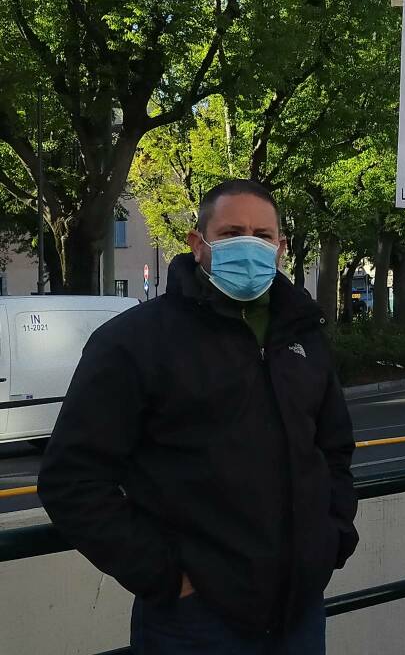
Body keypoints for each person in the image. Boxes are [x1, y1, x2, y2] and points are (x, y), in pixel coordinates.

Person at [38, 179, 359, 654]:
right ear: (197, 243)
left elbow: (333, 449)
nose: (249, 245)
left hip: (300, 613)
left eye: (263, 235)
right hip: (194, 623)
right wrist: (165, 576)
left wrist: (331, 541)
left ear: (281, 248)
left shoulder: (305, 336)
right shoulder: (135, 341)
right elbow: (71, 479)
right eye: (231, 233)